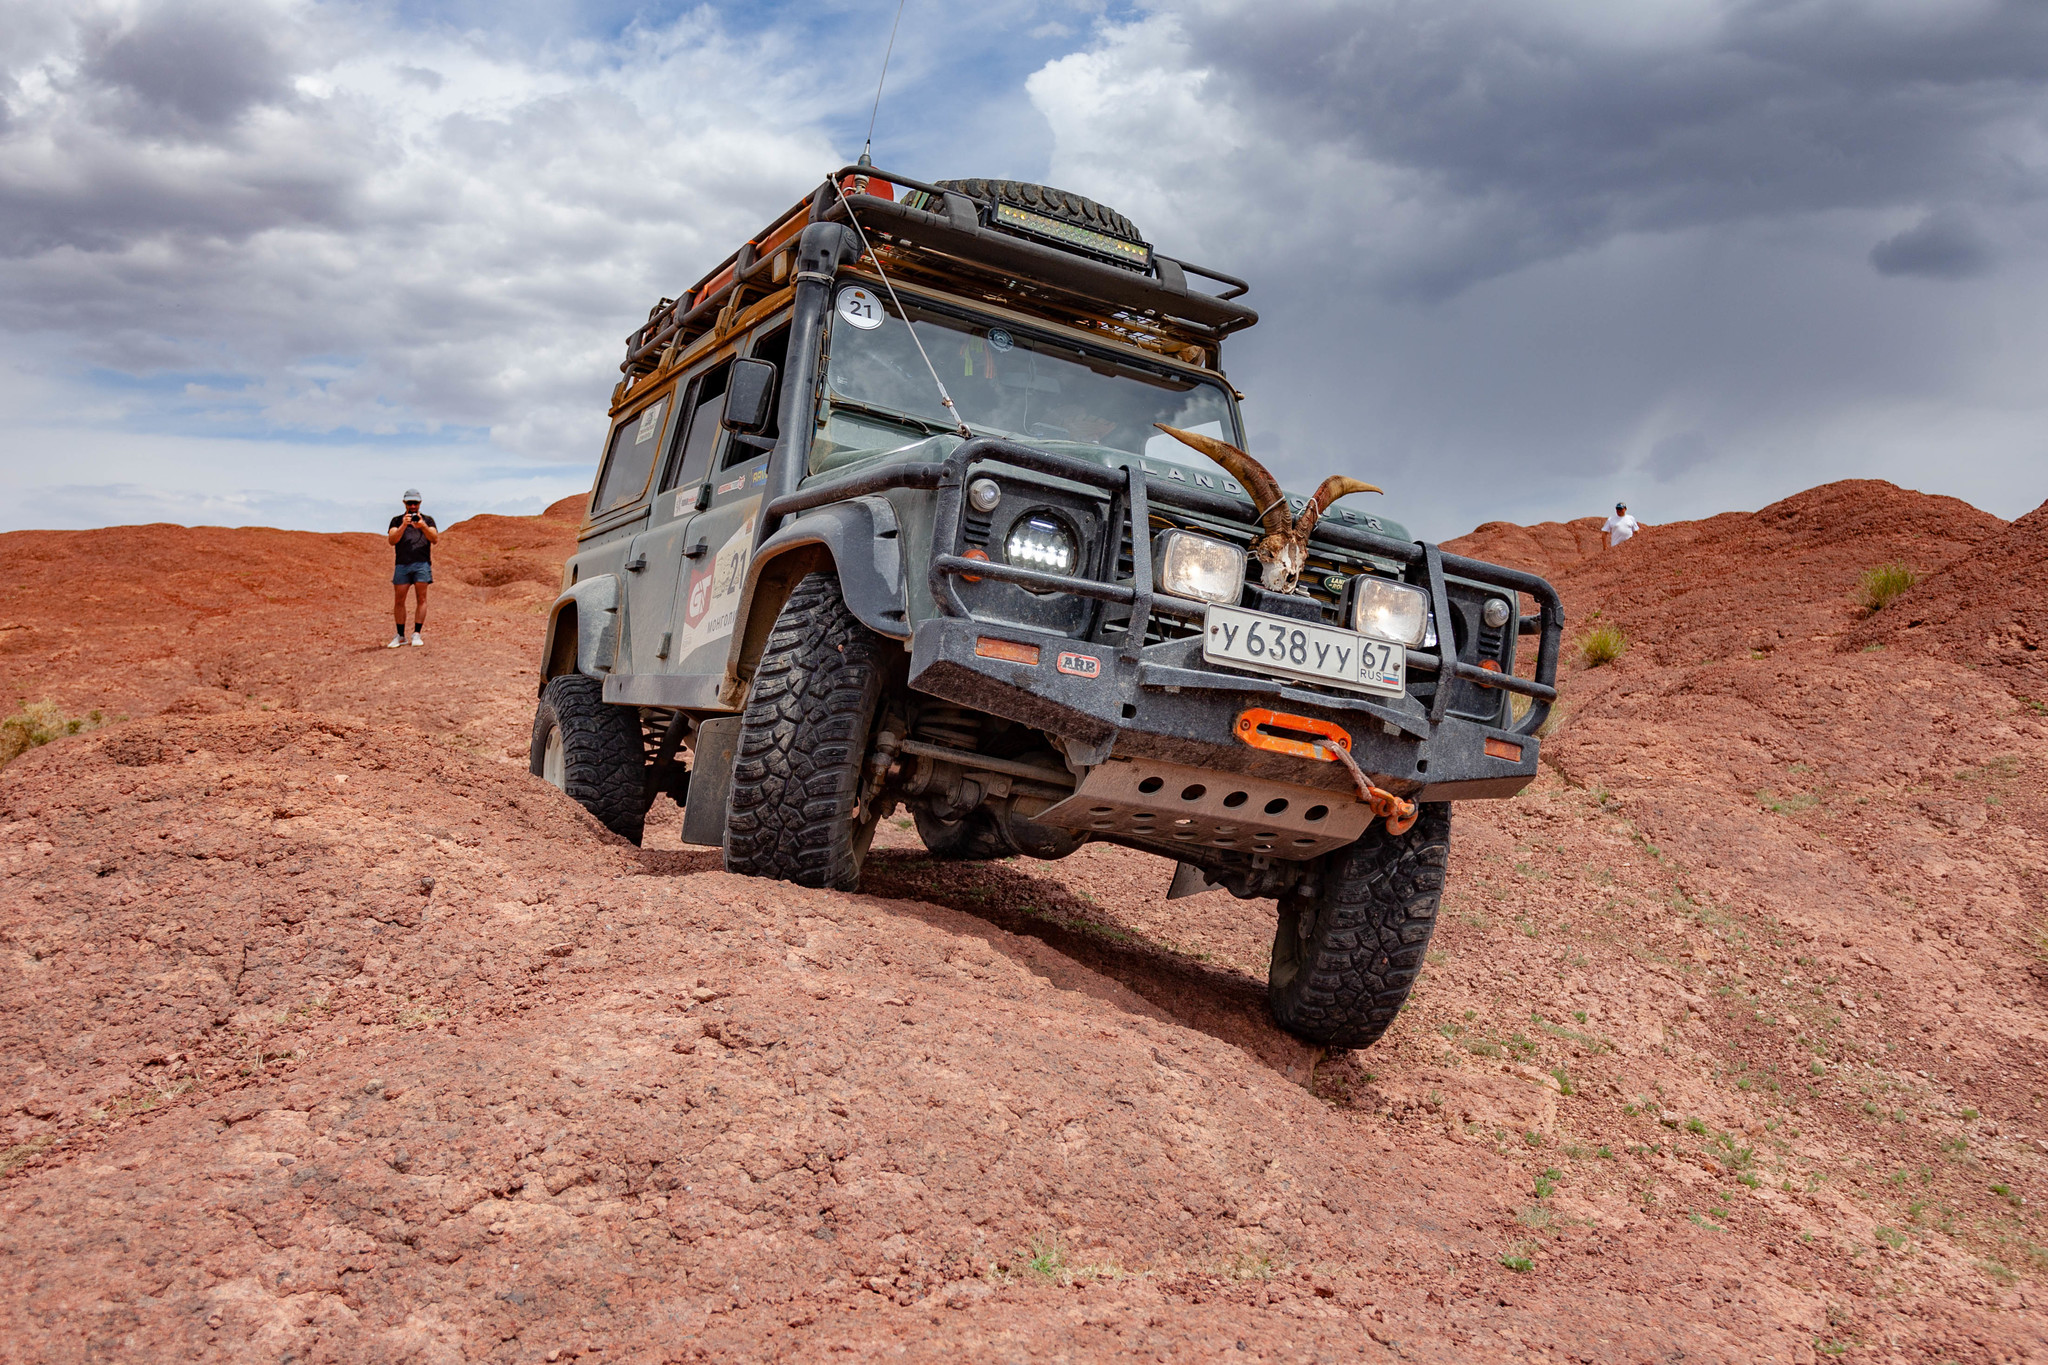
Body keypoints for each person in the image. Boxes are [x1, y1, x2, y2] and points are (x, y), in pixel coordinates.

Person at [386, 489, 438, 647]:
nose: (413, 506)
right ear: (404, 503)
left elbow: (434, 538)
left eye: (415, 502)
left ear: (420, 503)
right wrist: (404, 525)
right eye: (410, 503)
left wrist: (422, 526)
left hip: (422, 563)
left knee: (421, 599)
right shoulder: (396, 521)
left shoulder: (428, 520)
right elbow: (392, 540)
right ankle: (400, 635)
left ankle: (417, 633)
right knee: (399, 600)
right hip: (402, 564)